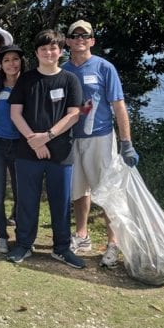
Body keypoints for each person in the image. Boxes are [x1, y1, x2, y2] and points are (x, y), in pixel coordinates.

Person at [63, 20, 139, 268]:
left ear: (92, 41)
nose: (80, 39)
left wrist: (126, 142)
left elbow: (118, 106)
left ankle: (113, 243)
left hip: (101, 138)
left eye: (85, 36)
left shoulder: (105, 68)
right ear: (68, 41)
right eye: (75, 35)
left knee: (107, 192)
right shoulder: (63, 69)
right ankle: (82, 235)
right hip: (72, 138)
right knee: (78, 190)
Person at [7, 29, 84, 268]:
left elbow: (73, 115)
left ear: (60, 51)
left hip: (61, 152)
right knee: (27, 201)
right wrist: (33, 139)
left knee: (60, 202)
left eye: (53, 48)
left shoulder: (70, 79)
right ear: (37, 52)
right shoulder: (26, 79)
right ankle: (23, 245)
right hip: (27, 152)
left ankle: (61, 248)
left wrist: (47, 137)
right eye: (43, 49)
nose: (49, 53)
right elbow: (15, 113)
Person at [0, 45, 26, 254]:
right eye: (7, 60)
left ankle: (22, 234)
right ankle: (1, 235)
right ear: (1, 65)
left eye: (15, 59)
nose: (11, 63)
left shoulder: (30, 85)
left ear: (21, 62)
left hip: (21, 144)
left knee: (22, 193)